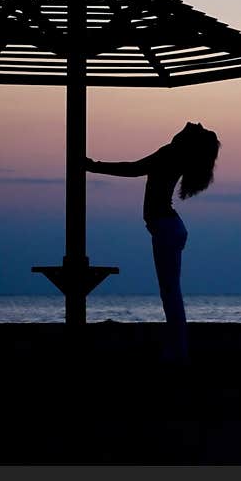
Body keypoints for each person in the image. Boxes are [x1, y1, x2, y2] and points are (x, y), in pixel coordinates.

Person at [85, 122, 221, 362]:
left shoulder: (169, 153)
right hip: (169, 228)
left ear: (185, 139)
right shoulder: (175, 155)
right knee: (170, 293)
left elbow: (134, 168)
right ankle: (177, 349)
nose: (182, 127)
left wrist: (94, 167)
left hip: (167, 229)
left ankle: (178, 352)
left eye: (187, 128)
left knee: (170, 294)